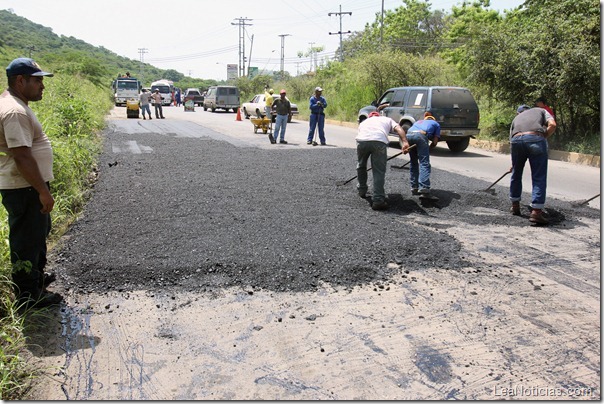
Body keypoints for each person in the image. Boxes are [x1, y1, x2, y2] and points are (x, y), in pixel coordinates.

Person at [0, 58, 63, 308]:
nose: (42, 86)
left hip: (28, 187)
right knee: (26, 240)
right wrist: (42, 191)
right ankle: (27, 297)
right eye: (37, 80)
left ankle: (36, 279)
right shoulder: (14, 111)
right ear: (20, 80)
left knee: (37, 234)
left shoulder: (17, 104)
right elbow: (22, 155)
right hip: (24, 188)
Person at [509, 104, 557, 224]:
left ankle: (515, 206)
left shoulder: (516, 119)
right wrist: (543, 136)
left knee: (516, 173)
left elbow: (512, 140)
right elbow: (552, 125)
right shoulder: (541, 111)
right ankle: (536, 212)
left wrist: (513, 164)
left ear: (518, 113)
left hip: (516, 141)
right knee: (538, 176)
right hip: (535, 138)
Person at [356, 111, 410, 211]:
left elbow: (361, 133)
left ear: (370, 117)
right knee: (378, 171)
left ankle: (362, 190)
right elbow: (399, 128)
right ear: (379, 116)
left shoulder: (364, 122)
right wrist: (405, 142)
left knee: (361, 165)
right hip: (379, 141)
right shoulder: (387, 119)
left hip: (362, 141)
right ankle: (378, 200)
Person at [405, 111, 441, 196]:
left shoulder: (418, 122)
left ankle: (414, 187)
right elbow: (435, 142)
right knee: (424, 163)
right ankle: (424, 187)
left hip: (409, 135)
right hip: (420, 135)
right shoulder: (436, 124)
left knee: (414, 162)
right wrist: (429, 148)